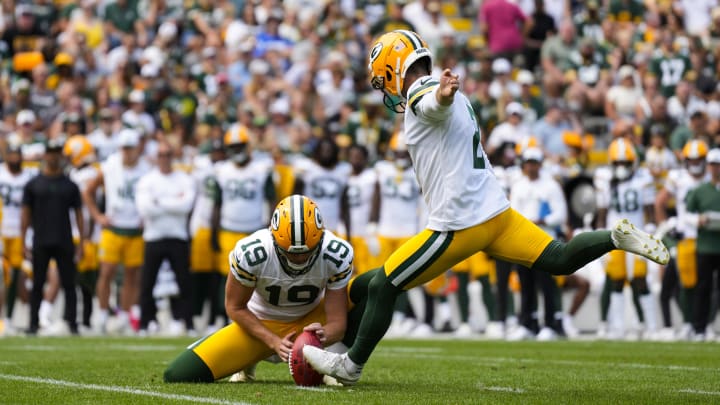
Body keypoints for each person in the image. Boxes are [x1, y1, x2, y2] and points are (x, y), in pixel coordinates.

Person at [303, 30, 669, 385]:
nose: (385, 89)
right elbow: (439, 104)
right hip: (497, 214)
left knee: (385, 285)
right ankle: (614, 237)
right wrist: (445, 95)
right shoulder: (456, 96)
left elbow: (429, 103)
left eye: (383, 80)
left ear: (392, 70)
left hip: (460, 223)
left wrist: (441, 96)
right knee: (559, 258)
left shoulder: (423, 90)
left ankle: (350, 365)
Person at [163, 195, 362, 382]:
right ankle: (248, 360)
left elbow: (338, 323)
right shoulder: (253, 252)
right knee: (178, 374)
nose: (300, 259)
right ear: (273, 237)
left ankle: (333, 363)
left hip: (309, 320)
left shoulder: (336, 253)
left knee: (368, 286)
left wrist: (322, 336)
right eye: (291, 254)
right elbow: (235, 307)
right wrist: (273, 341)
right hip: (261, 324)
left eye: (307, 252)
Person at [83, 128, 151, 334]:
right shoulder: (110, 165)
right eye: (124, 148)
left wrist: (146, 218)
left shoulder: (146, 168)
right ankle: (102, 314)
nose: (127, 152)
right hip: (113, 227)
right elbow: (88, 191)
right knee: (106, 272)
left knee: (132, 275)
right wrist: (97, 216)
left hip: (135, 229)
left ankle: (124, 315)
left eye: (131, 148)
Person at [594, 137, 660, 340]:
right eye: (617, 163)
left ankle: (651, 326)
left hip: (638, 234)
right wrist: (600, 239)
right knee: (615, 280)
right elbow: (602, 212)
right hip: (615, 236)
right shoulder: (605, 179)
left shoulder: (643, 178)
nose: (621, 167)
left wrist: (651, 235)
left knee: (640, 279)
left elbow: (650, 212)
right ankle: (618, 327)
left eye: (625, 163)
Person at [21, 138, 84, 335]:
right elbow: (25, 213)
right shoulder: (33, 184)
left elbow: (79, 215)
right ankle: (33, 324)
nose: (54, 156)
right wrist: (23, 239)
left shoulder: (70, 185)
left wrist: (82, 242)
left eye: (57, 152)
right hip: (40, 239)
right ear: (45, 155)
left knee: (69, 283)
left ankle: (72, 323)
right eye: (51, 152)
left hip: (64, 239)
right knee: (38, 283)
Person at [135, 142, 197, 336]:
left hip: (178, 236)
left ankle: (187, 322)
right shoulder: (147, 180)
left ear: (172, 156)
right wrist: (173, 202)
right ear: (156, 157)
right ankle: (146, 322)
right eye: (161, 155)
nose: (164, 158)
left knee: (184, 282)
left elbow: (186, 205)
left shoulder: (184, 179)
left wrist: (159, 202)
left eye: (167, 154)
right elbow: (145, 209)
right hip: (154, 236)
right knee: (148, 282)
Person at [0, 144, 37, 334]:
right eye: (11, 154)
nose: (14, 158)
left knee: (15, 277)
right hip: (2, 229)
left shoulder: (29, 178)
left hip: (20, 232)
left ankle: (8, 318)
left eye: (17, 154)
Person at [685, 148, 720, 341]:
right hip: (706, 245)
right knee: (703, 288)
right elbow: (687, 215)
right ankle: (699, 329)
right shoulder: (700, 191)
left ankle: (712, 327)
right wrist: (699, 220)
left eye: (718, 165)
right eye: (713, 165)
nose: (716, 169)